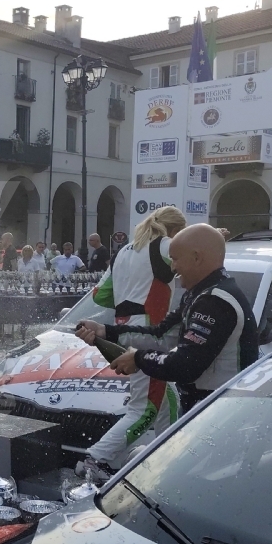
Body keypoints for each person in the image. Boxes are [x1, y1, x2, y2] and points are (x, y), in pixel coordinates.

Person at [76, 224, 258, 443]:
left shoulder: (214, 301)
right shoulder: (201, 294)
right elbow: (160, 335)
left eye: (175, 259)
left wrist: (138, 358)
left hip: (221, 417)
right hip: (209, 411)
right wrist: (106, 331)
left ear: (197, 258)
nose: (172, 267)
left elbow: (185, 365)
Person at [77, 206, 187, 482]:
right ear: (175, 231)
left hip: (124, 325)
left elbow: (101, 296)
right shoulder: (164, 245)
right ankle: (95, 458)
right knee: (144, 407)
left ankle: (168, 455)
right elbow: (191, 259)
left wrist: (128, 289)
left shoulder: (123, 252)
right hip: (151, 328)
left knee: (167, 396)